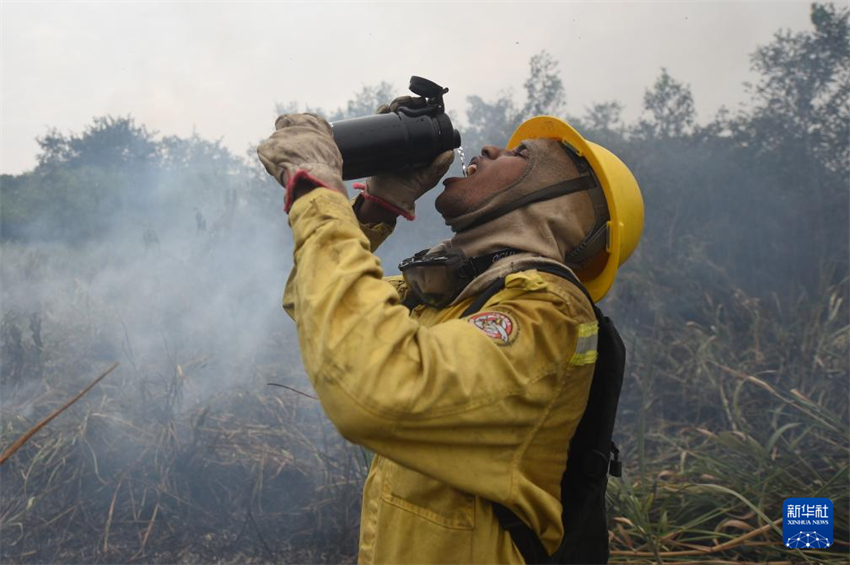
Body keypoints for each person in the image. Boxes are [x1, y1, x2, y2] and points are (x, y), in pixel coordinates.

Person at [257, 104, 643, 564]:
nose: (489, 147)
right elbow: (313, 302)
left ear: (567, 203)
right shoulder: (459, 299)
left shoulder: (547, 312)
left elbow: (379, 391)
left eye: (521, 153)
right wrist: (380, 205)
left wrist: (318, 191)